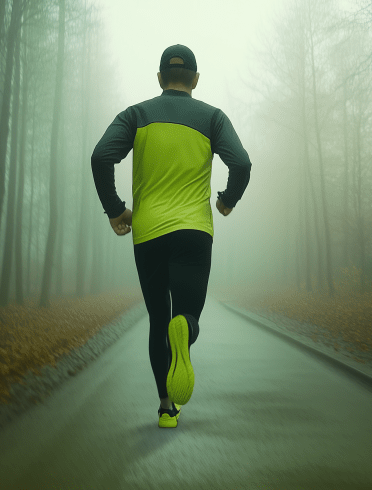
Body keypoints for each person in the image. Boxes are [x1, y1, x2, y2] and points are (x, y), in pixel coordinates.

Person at [90, 44, 252, 428]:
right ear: (195, 80)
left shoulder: (137, 114)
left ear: (160, 78)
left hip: (148, 234)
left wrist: (115, 209)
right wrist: (227, 200)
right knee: (185, 313)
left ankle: (166, 407)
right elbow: (241, 163)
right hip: (194, 232)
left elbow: (101, 157)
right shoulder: (212, 117)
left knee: (158, 317)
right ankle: (187, 330)